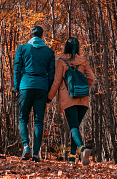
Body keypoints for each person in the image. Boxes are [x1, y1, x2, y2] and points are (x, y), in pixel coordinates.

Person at [47, 37, 95, 165]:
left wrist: (49, 97)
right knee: (75, 127)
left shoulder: (61, 61)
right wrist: (83, 89)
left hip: (68, 98)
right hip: (83, 99)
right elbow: (92, 78)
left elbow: (57, 81)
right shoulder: (83, 61)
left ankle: (82, 148)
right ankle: (72, 157)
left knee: (73, 126)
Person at [14, 25, 55, 162]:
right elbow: (51, 74)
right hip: (41, 88)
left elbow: (17, 69)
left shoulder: (22, 48)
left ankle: (26, 146)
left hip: (25, 86)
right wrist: (48, 92)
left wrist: (16, 87)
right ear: (42, 36)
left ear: (30, 36)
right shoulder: (49, 52)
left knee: (23, 118)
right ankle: (36, 154)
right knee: (38, 122)